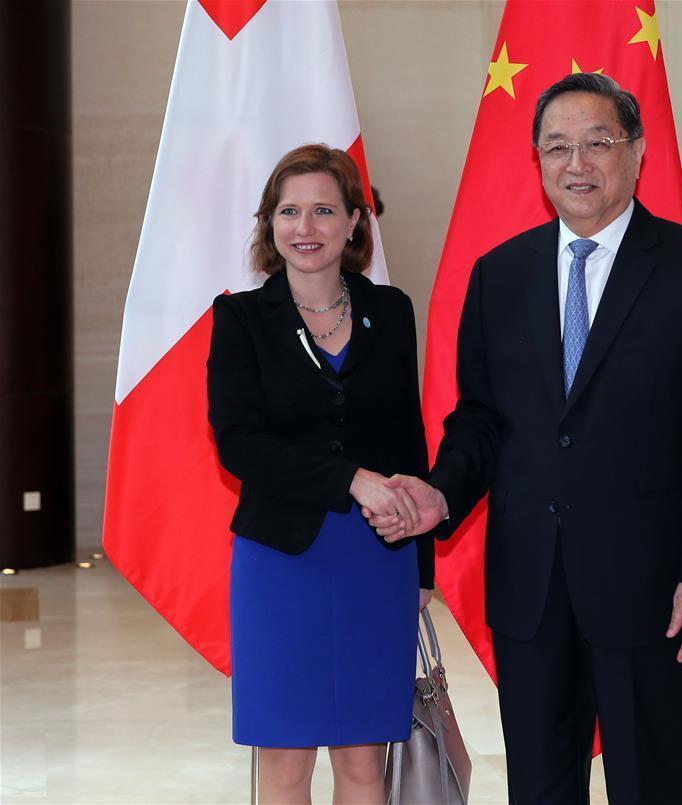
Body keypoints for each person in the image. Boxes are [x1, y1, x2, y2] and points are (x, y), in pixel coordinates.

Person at [366, 73, 682, 804]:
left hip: (652, 591)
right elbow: (481, 418)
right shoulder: (500, 275)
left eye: (598, 143)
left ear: (636, 151)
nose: (577, 164)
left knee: (653, 786)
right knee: (541, 788)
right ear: (538, 160)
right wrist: (441, 492)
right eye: (557, 147)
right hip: (532, 590)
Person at [207, 144, 434, 805]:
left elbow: (409, 438)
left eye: (324, 210)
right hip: (280, 561)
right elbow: (238, 444)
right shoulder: (241, 319)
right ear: (269, 223)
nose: (305, 227)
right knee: (285, 765)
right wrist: (350, 479)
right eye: (289, 211)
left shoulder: (392, 310)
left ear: (355, 221)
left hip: (378, 560)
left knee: (364, 762)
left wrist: (421, 565)